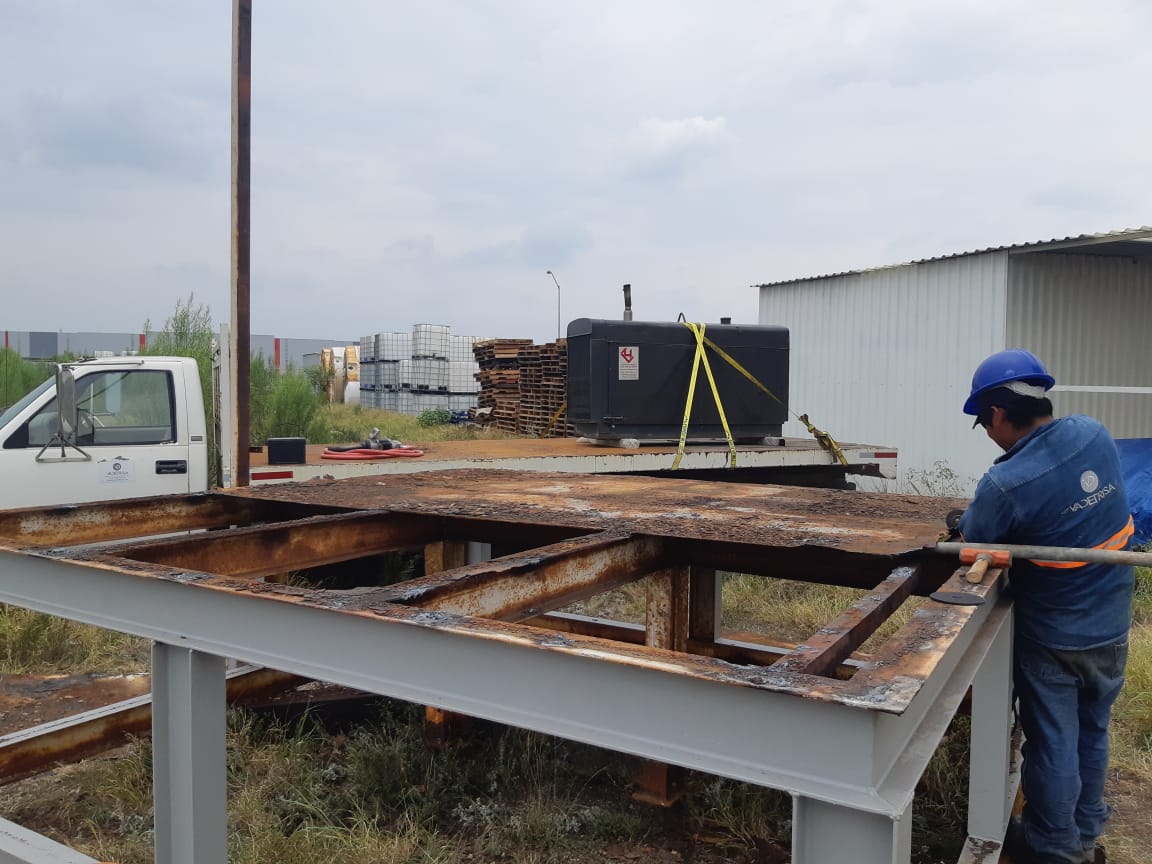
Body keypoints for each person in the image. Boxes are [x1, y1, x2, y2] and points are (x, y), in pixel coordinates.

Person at [958, 349, 1135, 864]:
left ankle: (1054, 850)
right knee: (1091, 732)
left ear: (996, 414)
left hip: (1055, 637)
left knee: (1053, 742)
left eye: (984, 424)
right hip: (1112, 623)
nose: (989, 435)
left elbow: (975, 538)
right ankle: (1085, 833)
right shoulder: (1093, 433)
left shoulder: (1006, 482)